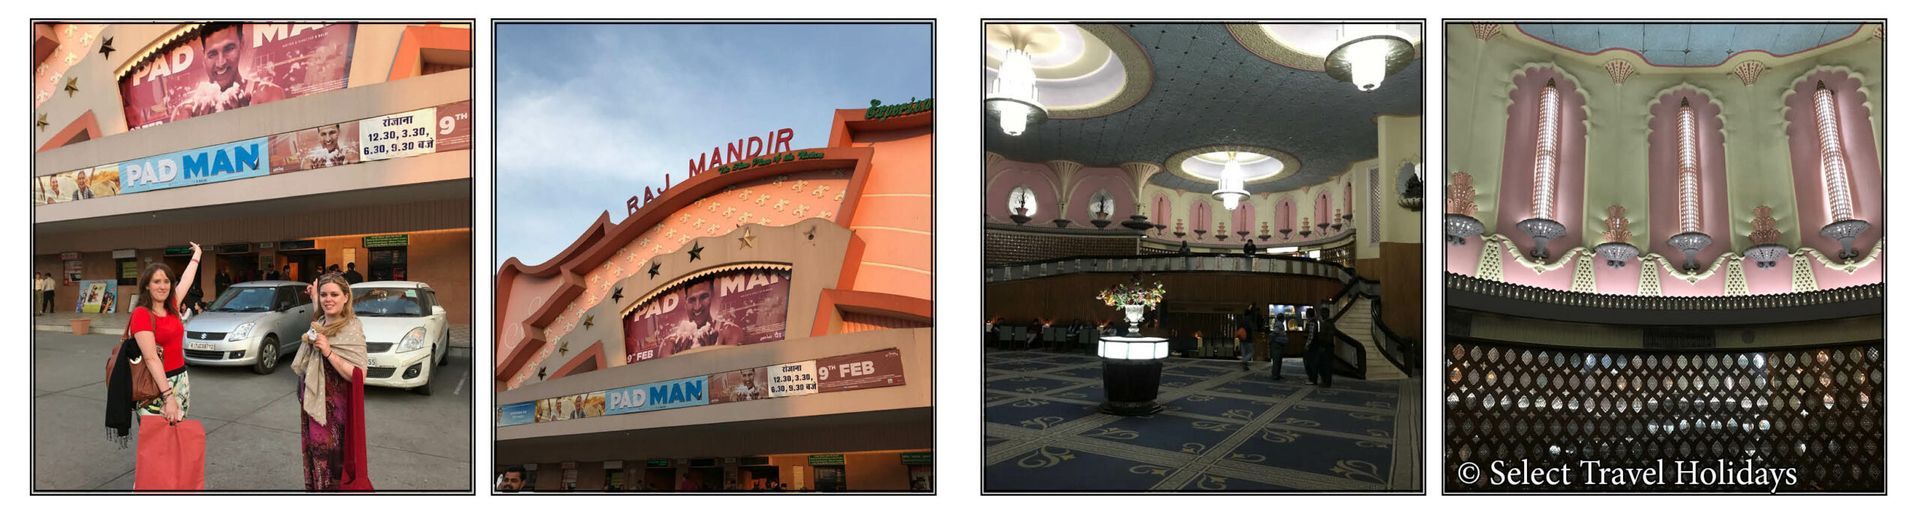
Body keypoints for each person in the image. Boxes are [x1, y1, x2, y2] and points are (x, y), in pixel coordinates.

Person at [106, 243, 201, 447]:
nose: (162, 286)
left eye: (166, 281)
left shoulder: (173, 305)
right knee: (155, 445)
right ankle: (147, 480)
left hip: (181, 381)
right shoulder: (142, 314)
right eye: (156, 281)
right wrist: (168, 397)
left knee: (175, 441)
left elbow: (186, 279)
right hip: (155, 385)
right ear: (147, 286)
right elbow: (150, 358)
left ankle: (169, 478)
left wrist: (198, 255)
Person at [294, 273, 372, 491]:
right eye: (324, 294)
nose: (329, 299)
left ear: (346, 297)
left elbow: (359, 375)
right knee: (314, 457)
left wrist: (328, 352)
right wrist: (314, 301)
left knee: (332, 462)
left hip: (336, 414)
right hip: (313, 405)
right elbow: (318, 328)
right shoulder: (319, 323)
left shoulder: (351, 328)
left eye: (335, 294)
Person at [179, 24, 285, 118]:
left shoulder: (267, 94)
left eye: (229, 48)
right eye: (212, 54)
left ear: (241, 43)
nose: (221, 63)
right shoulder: (185, 112)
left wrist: (244, 122)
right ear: (204, 55)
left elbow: (282, 139)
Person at [663, 281, 746, 354]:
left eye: (703, 297)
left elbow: (734, 368)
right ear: (685, 302)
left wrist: (710, 352)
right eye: (692, 300)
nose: (697, 307)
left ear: (712, 296)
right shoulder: (668, 344)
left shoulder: (730, 332)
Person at [1304, 304, 1335, 387]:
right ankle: (1324, 381)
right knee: (1322, 365)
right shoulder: (1324, 323)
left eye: (1322, 313)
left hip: (1326, 347)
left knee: (1325, 365)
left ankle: (1326, 382)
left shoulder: (1328, 324)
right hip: (1324, 346)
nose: (1321, 315)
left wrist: (1322, 344)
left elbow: (1327, 336)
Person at [1267, 312, 1291, 381]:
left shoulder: (1278, 324)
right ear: (1282, 318)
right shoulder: (1279, 324)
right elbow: (1275, 332)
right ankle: (1275, 375)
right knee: (1277, 360)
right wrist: (1271, 340)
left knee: (1278, 360)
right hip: (1277, 344)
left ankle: (1277, 374)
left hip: (1278, 344)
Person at [1238, 304, 1261, 371]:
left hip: (1242, 338)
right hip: (1248, 339)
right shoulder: (1250, 320)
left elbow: (1239, 328)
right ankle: (1244, 362)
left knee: (1244, 353)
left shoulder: (1242, 320)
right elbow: (1252, 328)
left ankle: (1245, 365)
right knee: (1251, 352)